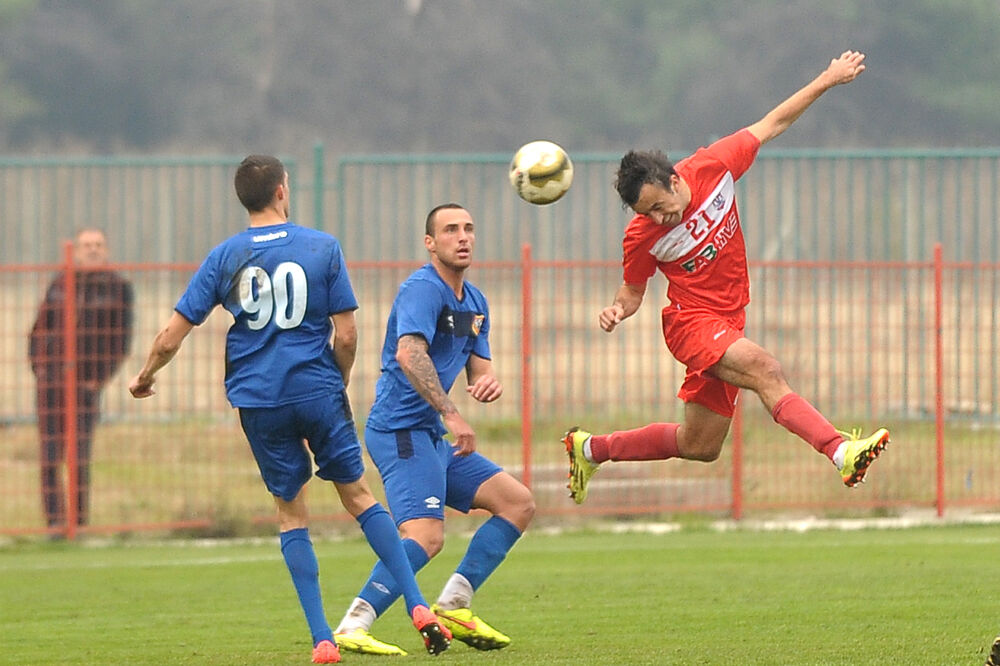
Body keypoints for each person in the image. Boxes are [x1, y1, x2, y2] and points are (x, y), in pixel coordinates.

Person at [128, 155, 451, 663]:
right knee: (360, 496)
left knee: (290, 510)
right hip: (317, 390)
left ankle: (323, 638)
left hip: (258, 398)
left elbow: (172, 335)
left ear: (245, 197)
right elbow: (346, 334)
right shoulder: (322, 247)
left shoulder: (225, 256)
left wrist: (145, 374)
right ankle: (416, 605)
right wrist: (336, 381)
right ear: (283, 190)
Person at [563, 50, 890, 505]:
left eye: (659, 206)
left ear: (675, 180)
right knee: (766, 370)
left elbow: (774, 122)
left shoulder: (715, 166)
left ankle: (591, 449)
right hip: (690, 324)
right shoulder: (641, 236)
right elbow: (632, 291)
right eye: (647, 214)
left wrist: (828, 79)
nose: (658, 219)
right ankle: (840, 451)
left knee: (700, 446)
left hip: (728, 322)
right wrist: (617, 309)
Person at [332, 203, 535, 656]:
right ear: (430, 243)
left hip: (430, 436)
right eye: (449, 230)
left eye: (468, 228)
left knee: (517, 503)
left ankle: (455, 603)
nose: (462, 237)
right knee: (426, 536)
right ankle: (355, 622)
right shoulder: (422, 289)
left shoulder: (475, 301)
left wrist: (486, 381)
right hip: (400, 431)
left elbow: (478, 366)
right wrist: (451, 412)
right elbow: (409, 354)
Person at [29, 227, 134, 529]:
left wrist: (97, 379)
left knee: (79, 456)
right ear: (76, 250)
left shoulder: (118, 288)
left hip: (86, 385)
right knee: (49, 455)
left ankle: (78, 522)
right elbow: (39, 326)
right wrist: (40, 366)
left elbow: (121, 340)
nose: (92, 250)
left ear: (107, 250)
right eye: (86, 245)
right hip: (51, 383)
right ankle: (54, 523)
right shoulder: (61, 282)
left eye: (98, 245)